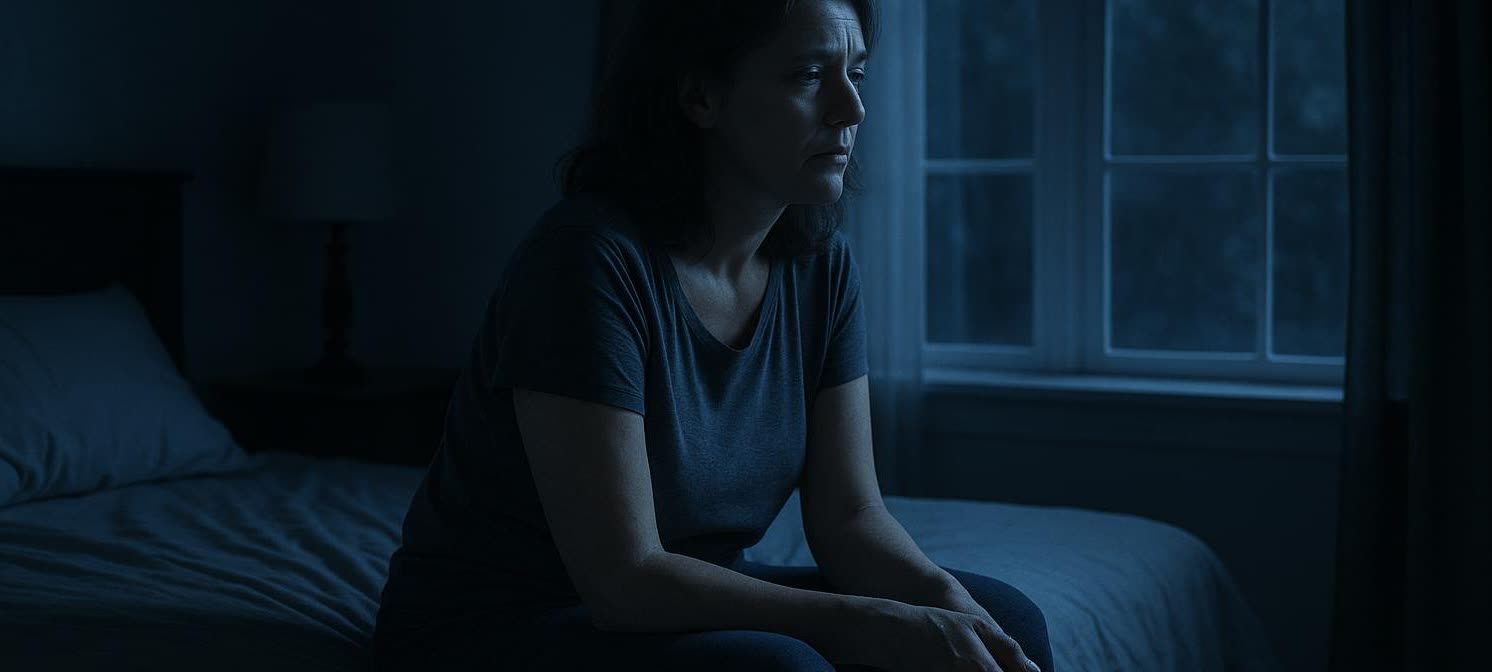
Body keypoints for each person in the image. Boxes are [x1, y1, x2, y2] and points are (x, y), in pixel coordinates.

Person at [371, 1, 1054, 670]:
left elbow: (849, 517)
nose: (851, 110)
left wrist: (945, 602)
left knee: (1005, 619)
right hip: (510, 619)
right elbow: (623, 579)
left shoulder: (819, 265)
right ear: (700, 95)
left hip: (683, 596)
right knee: (779, 666)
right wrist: (857, 621)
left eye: (856, 75)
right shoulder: (588, 261)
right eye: (808, 76)